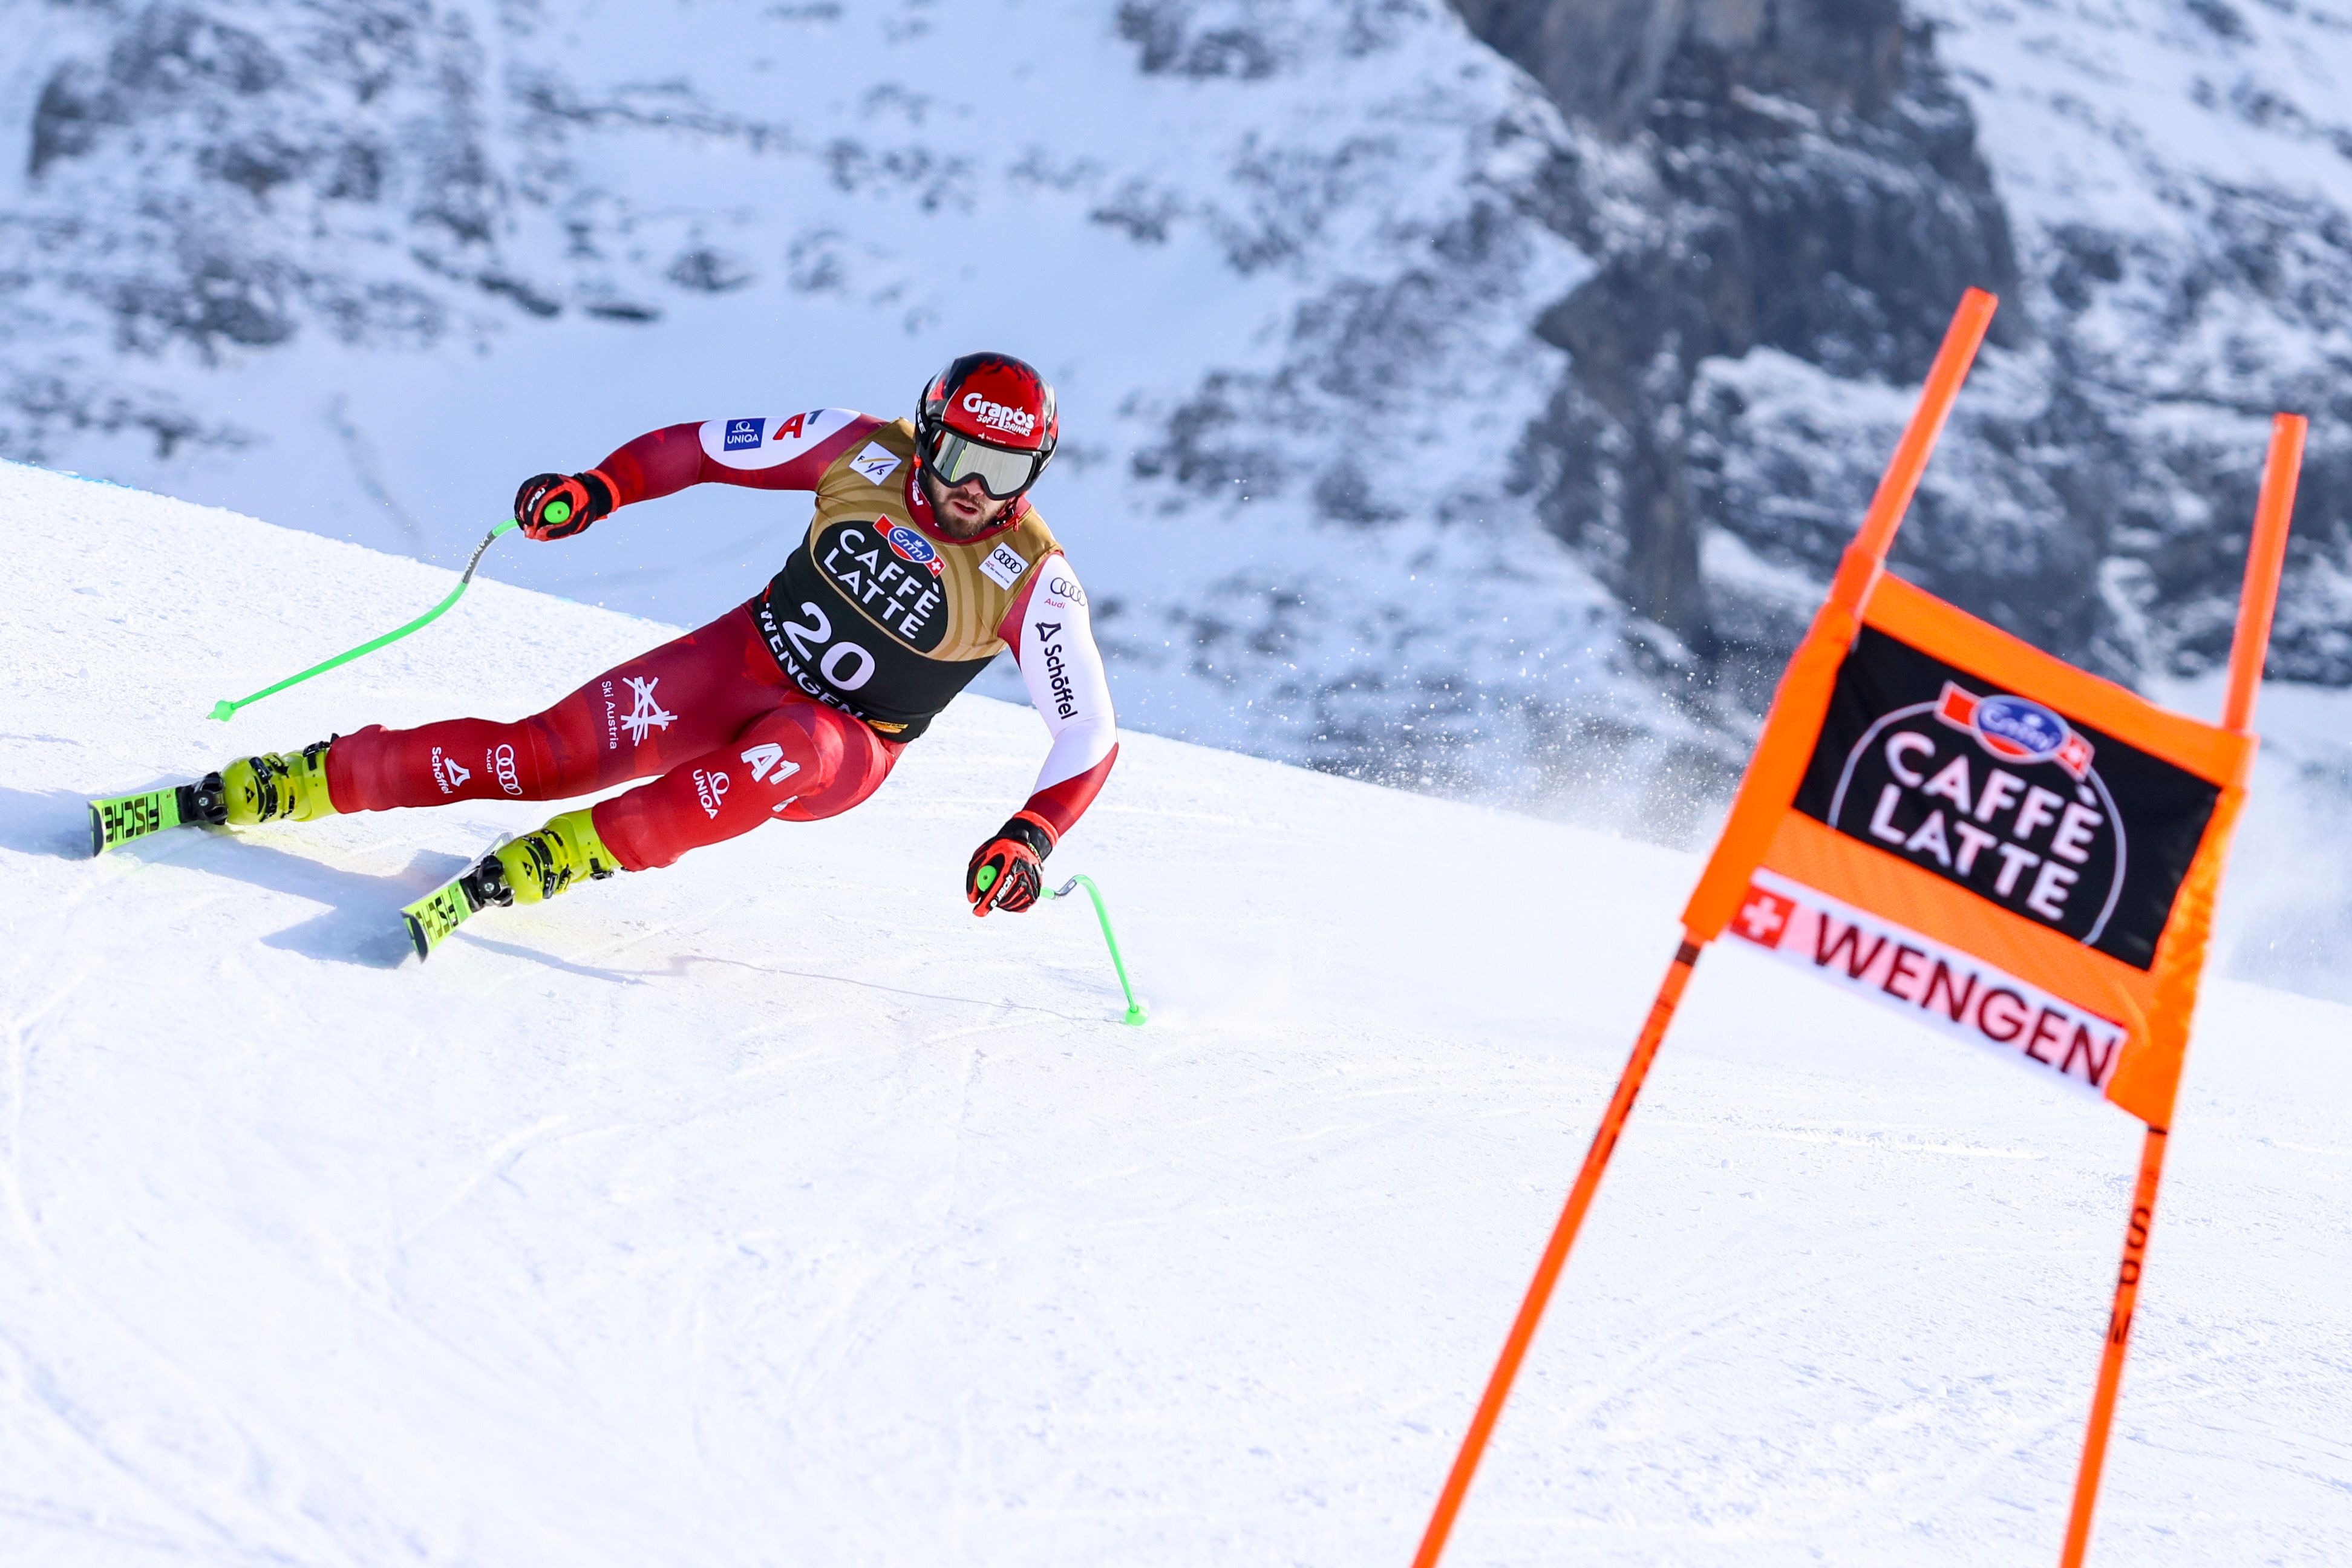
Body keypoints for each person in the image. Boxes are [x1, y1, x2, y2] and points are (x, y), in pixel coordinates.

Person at [204, 351, 1117, 936]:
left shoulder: (1033, 578)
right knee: (543, 756)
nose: (974, 491)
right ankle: (314, 776)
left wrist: (1029, 838)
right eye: (961, 458)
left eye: (1004, 474)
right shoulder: (857, 450)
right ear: (929, 435)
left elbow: (1087, 734)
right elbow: (702, 448)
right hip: (741, 661)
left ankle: (575, 852)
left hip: (844, 748)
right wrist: (599, 489)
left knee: (794, 744)